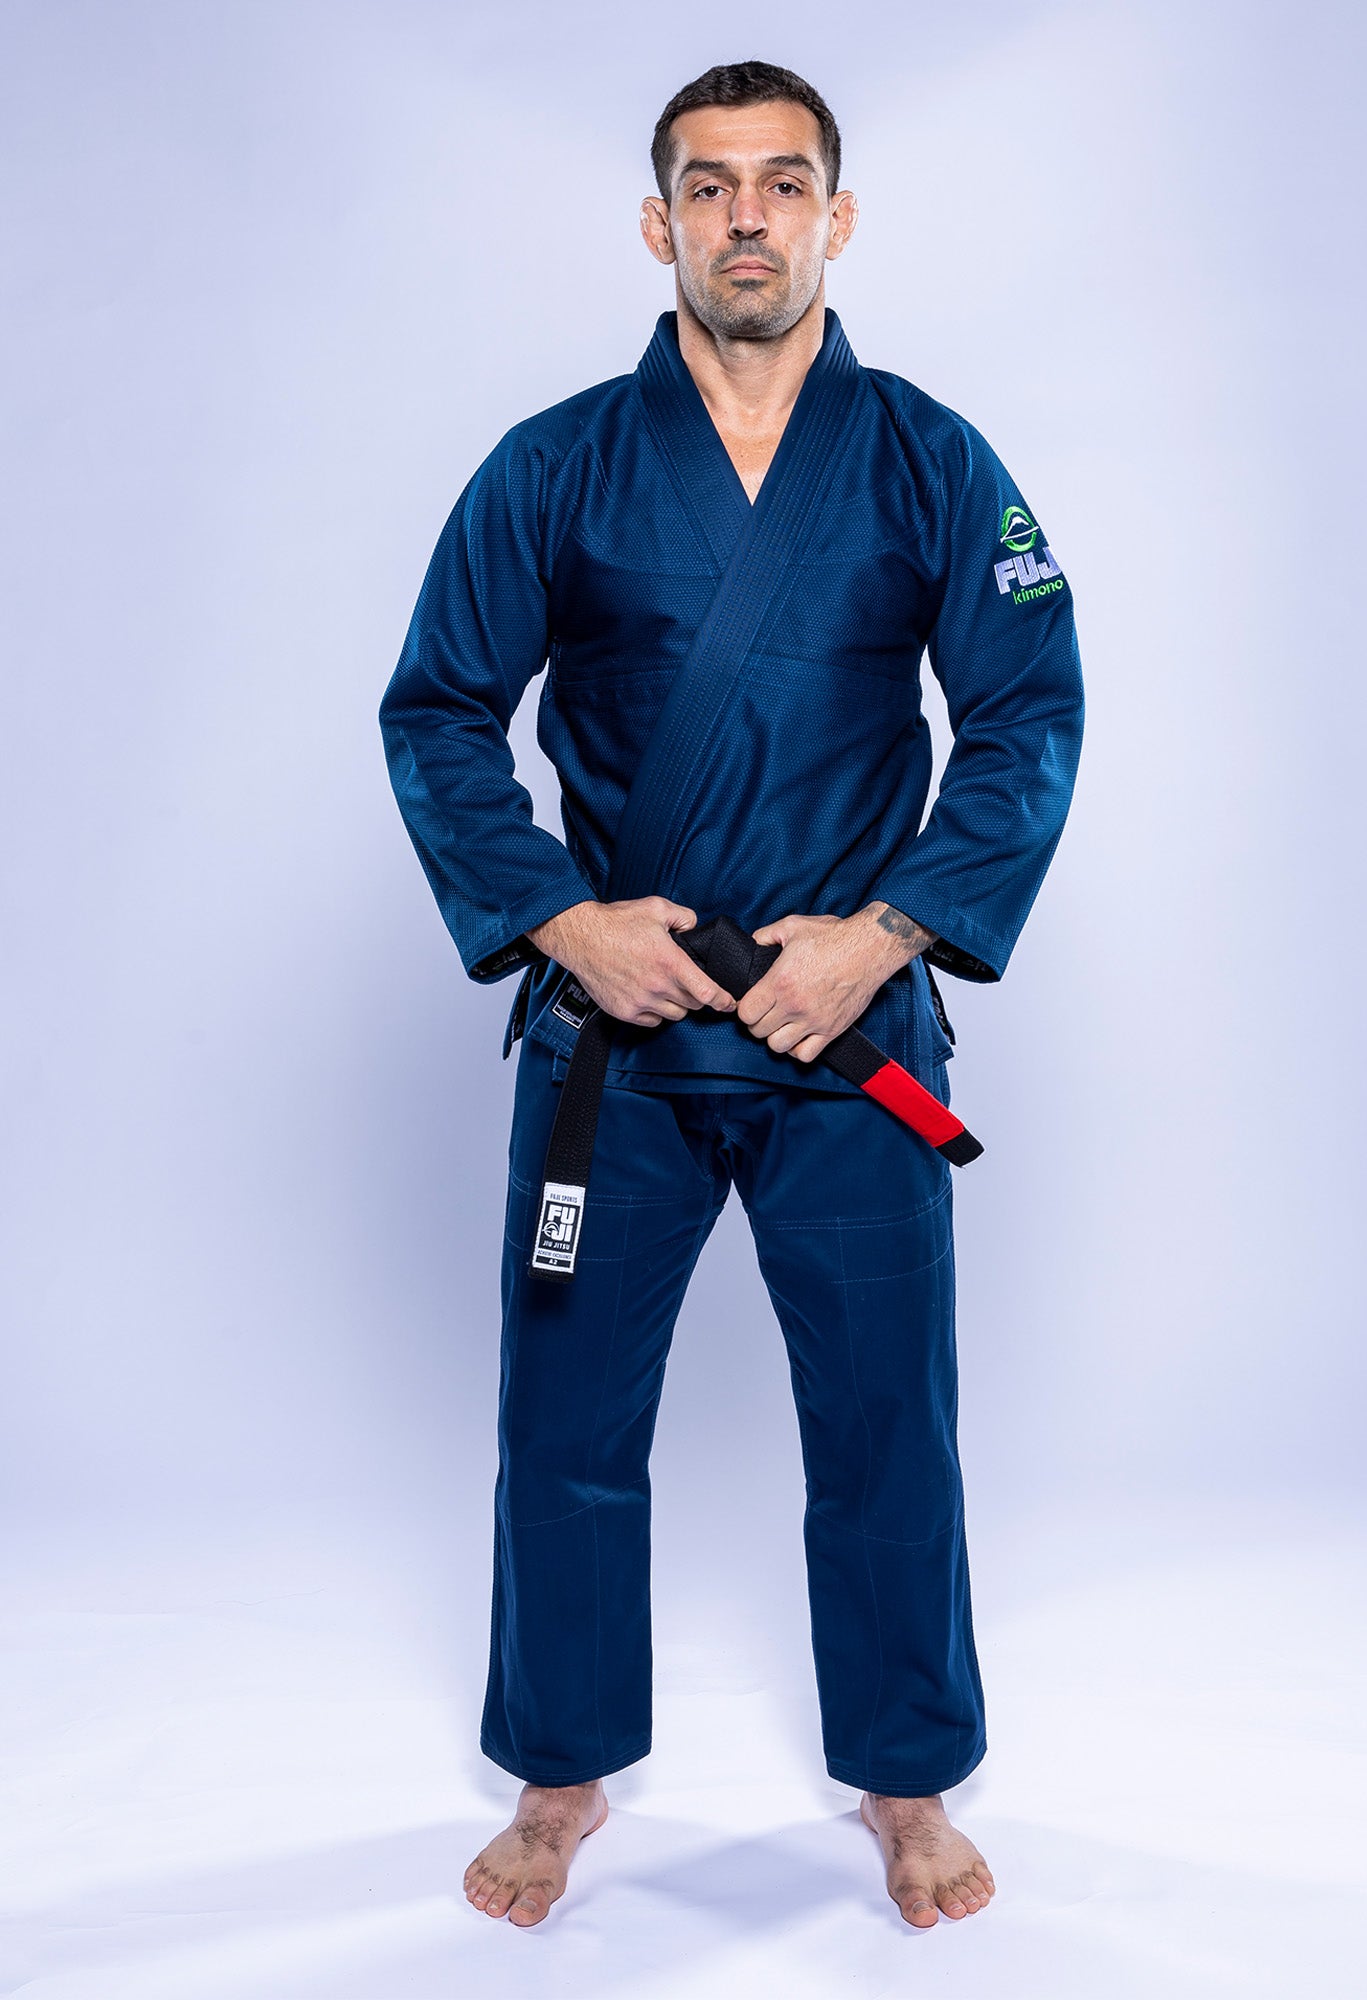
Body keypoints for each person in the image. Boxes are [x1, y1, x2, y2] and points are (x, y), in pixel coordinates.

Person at [379, 58, 1084, 1931]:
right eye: (711, 186)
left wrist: (898, 928)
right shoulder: (554, 465)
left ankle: (909, 1784)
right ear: (659, 222)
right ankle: (559, 1774)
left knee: (884, 1423)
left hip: (849, 1039)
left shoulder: (932, 458)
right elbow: (440, 711)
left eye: (785, 184)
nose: (748, 216)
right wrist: (556, 917)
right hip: (620, 1040)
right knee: (568, 1419)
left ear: (837, 218)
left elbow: (1026, 713)